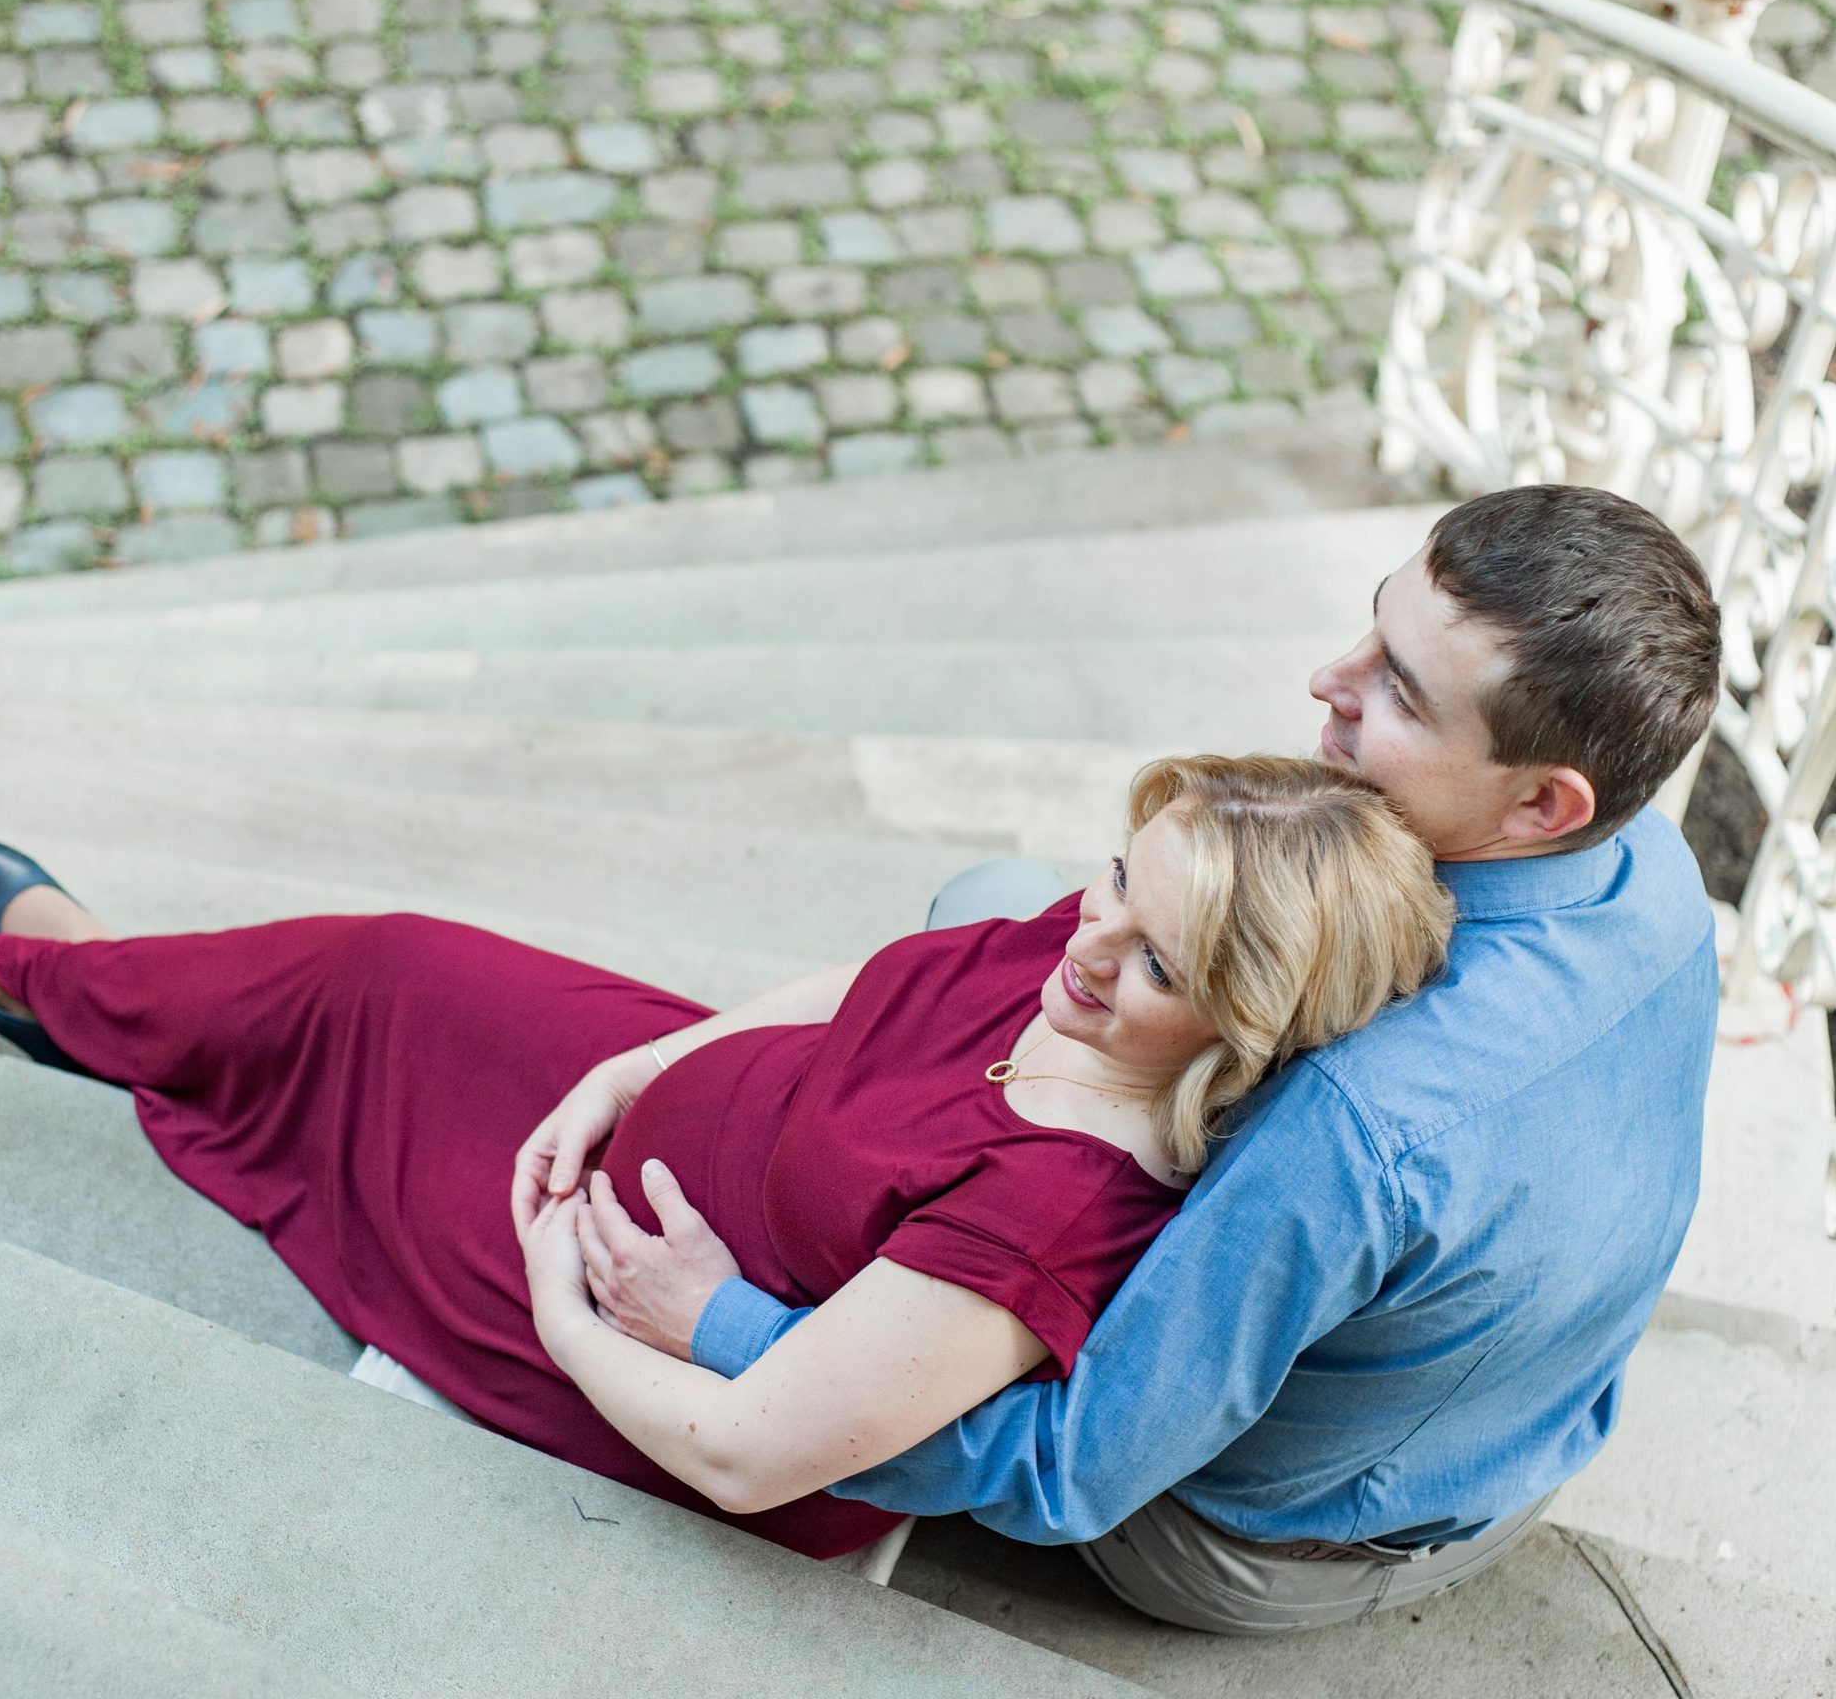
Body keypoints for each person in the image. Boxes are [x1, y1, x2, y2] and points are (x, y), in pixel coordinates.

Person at [557, 483, 1727, 1632]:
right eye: (1371, 623)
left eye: (1400, 696)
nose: (1328, 681)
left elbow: (1071, 1465)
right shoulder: (1647, 864)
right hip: (1503, 1422)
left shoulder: (1356, 1116)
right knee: (1005, 912)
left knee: (994, 1150)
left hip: (1255, 1537)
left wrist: (732, 1333)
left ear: (1542, 806)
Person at [0, 754, 1452, 1561]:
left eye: (1159, 963)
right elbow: (873, 990)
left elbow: (756, 1452)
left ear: (1239, 1029)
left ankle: (39, 987)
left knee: (338, 1116)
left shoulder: (1052, 1213)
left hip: (630, 1316)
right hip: (686, 1105)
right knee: (395, 967)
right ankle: (102, 989)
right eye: (1116, 877)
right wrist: (642, 1061)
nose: (1092, 942)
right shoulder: (1093, 948)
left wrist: (569, 1301)